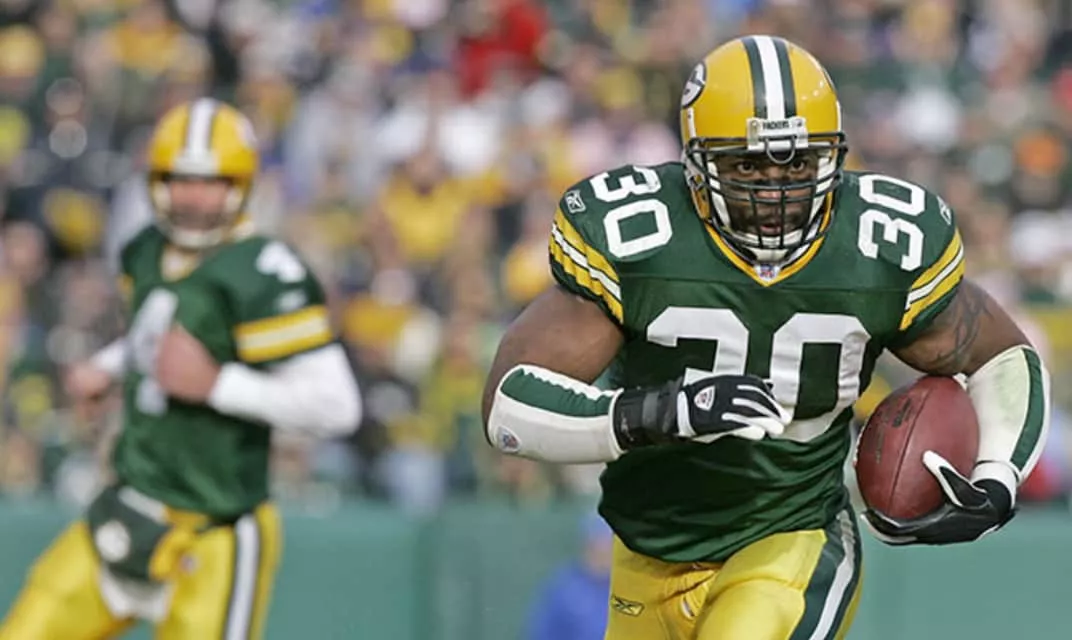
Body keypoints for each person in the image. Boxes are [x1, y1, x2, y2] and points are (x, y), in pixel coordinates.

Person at [482, 35, 1051, 640]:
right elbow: (510, 408)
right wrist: (663, 412)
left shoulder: (876, 247)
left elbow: (1002, 357)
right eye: (748, 165)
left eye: (798, 163)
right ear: (697, 164)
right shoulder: (644, 240)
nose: (776, 189)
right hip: (648, 548)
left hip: (793, 538)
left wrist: (997, 476)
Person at [0, 98, 362, 640]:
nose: (193, 197)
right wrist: (107, 366)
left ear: (240, 185)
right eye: (180, 180)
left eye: (211, 182)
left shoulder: (264, 272)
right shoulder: (147, 249)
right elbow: (155, 331)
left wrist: (217, 385)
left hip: (216, 528)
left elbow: (338, 407)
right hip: (130, 505)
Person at [526, 513, 613, 640]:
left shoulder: (623, 587)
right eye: (597, 544)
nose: (603, 551)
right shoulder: (563, 588)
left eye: (608, 545)